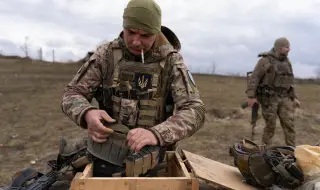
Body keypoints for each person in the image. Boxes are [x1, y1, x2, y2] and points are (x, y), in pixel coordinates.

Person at [60, 0, 205, 177]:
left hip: (153, 158)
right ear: (124, 26)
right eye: (131, 32)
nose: (136, 41)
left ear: (156, 32)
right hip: (106, 153)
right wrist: (87, 113)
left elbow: (195, 110)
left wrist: (156, 134)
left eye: (145, 35)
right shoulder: (106, 55)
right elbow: (72, 93)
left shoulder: (171, 61)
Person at [245, 37, 300, 147]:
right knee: (270, 126)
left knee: (289, 125)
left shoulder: (287, 62)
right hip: (269, 99)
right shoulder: (265, 61)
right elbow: (254, 78)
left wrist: (294, 97)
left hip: (284, 98)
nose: (289, 50)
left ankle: (292, 151)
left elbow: (290, 80)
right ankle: (266, 151)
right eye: (286, 47)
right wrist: (251, 96)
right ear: (279, 48)